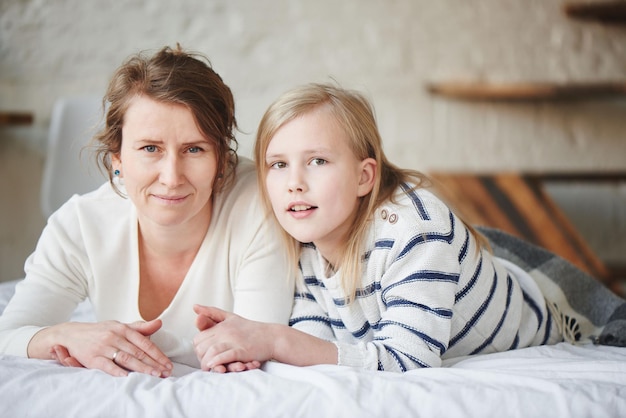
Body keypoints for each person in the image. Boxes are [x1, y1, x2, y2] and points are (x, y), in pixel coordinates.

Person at [193, 82, 626, 373]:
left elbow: (408, 360)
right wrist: (250, 353)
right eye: (278, 165)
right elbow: (314, 342)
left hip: (533, 314)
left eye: (318, 161)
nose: (294, 182)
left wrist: (274, 341)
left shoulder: (416, 229)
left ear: (365, 177)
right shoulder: (305, 235)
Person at [0, 45, 294, 377]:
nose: (171, 178)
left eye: (194, 149)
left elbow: (258, 350)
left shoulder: (260, 203)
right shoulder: (82, 224)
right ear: (118, 159)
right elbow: (9, 335)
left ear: (221, 160)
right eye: (150, 148)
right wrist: (64, 335)